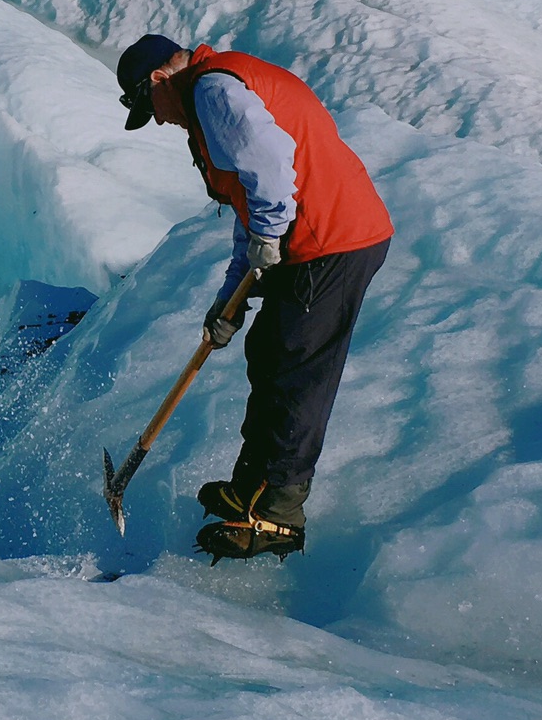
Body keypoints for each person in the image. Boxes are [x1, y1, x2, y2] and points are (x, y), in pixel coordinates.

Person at [116, 33, 392, 559]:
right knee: (269, 354)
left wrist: (270, 233)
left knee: (295, 368)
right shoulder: (214, 87)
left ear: (157, 81)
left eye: (150, 109)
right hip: (317, 237)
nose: (160, 121)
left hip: (329, 238)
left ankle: (276, 515)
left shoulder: (212, 91)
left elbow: (271, 166)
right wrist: (232, 297)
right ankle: (252, 489)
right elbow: (253, 200)